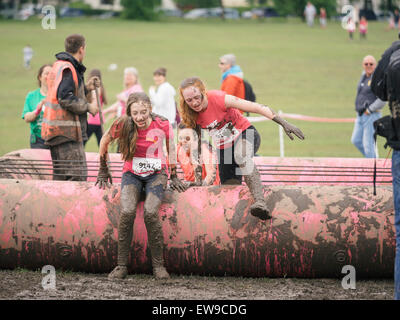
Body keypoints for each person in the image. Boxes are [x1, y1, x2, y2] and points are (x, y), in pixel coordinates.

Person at [178, 77, 304, 221]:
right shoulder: (190, 114)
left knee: (241, 156)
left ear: (203, 92)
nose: (194, 103)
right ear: (184, 100)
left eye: (197, 97)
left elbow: (257, 107)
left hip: (245, 133)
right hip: (224, 147)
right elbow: (197, 147)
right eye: (189, 100)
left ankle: (260, 202)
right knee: (228, 188)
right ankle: (235, 221)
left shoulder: (219, 98)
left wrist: (284, 123)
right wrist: (198, 180)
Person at [96, 92, 187, 280]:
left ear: (150, 109)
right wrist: (103, 169)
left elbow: (171, 149)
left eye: (143, 112)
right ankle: (121, 266)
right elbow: (104, 141)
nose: (139, 117)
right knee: (127, 211)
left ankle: (158, 266)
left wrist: (174, 175)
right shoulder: (122, 124)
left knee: (150, 212)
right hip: (132, 174)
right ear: (129, 112)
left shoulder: (162, 124)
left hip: (156, 175)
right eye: (135, 113)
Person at [41, 34, 99, 181]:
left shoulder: (59, 66)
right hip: (66, 133)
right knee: (77, 177)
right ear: (81, 49)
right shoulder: (68, 68)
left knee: (61, 178)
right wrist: (88, 107)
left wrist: (86, 88)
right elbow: (65, 98)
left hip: (57, 131)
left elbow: (64, 92)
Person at [351, 55, 385, 158]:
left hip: (372, 116)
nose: (368, 66)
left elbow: (383, 98)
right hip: (360, 115)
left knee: (369, 145)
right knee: (356, 140)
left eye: (371, 64)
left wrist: (370, 109)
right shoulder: (364, 76)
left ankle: (373, 170)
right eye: (366, 64)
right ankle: (372, 162)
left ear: (376, 65)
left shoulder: (378, 79)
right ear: (363, 65)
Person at [22, 64, 52, 149]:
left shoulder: (59, 96)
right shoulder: (31, 96)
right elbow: (27, 118)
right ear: (40, 77)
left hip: (55, 139)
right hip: (38, 140)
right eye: (46, 73)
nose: (49, 76)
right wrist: (37, 111)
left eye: (51, 74)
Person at [85, 69, 107, 147]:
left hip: (92, 119)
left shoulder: (95, 89)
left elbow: (95, 103)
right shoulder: (101, 88)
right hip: (99, 120)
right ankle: (104, 158)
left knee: (82, 142)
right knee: (101, 144)